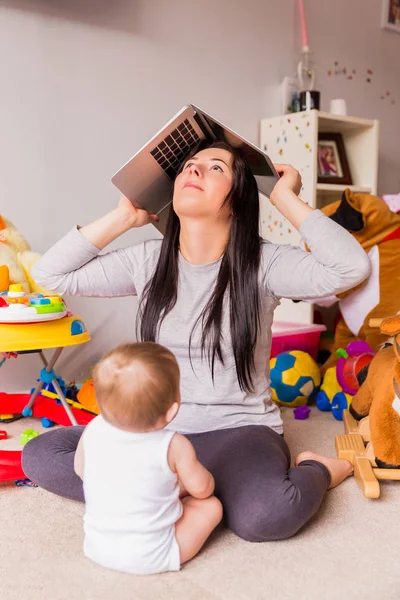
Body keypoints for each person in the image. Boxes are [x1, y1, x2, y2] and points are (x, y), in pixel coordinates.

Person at [23, 140, 371, 542]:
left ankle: (319, 468)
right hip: (156, 432)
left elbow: (351, 267)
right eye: (190, 165)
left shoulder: (265, 263)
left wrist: (280, 195)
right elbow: (51, 275)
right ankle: (186, 489)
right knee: (41, 455)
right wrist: (122, 218)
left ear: (239, 200)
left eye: (216, 168)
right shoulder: (149, 260)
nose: (194, 171)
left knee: (266, 517)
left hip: (239, 431)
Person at [75, 341, 222, 574]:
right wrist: (207, 482)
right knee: (211, 506)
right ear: (172, 411)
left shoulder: (93, 427)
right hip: (153, 555)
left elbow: (80, 470)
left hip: (96, 546)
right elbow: (202, 490)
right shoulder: (173, 445)